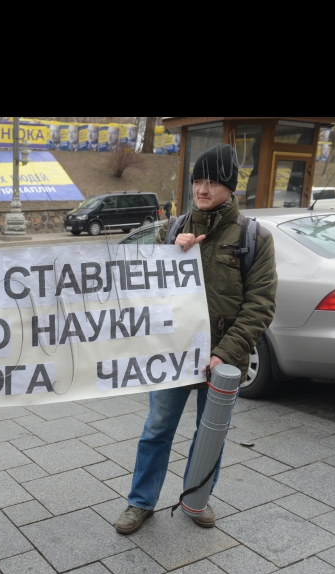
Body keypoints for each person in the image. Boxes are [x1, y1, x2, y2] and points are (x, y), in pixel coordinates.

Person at [116, 143, 278, 535]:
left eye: (212, 181)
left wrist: (225, 353)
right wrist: (172, 255)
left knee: (211, 434)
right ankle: (140, 502)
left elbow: (260, 305)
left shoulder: (255, 237)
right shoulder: (171, 229)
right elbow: (146, 294)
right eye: (197, 181)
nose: (202, 189)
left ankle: (196, 500)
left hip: (223, 361)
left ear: (230, 187)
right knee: (157, 429)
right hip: (174, 356)